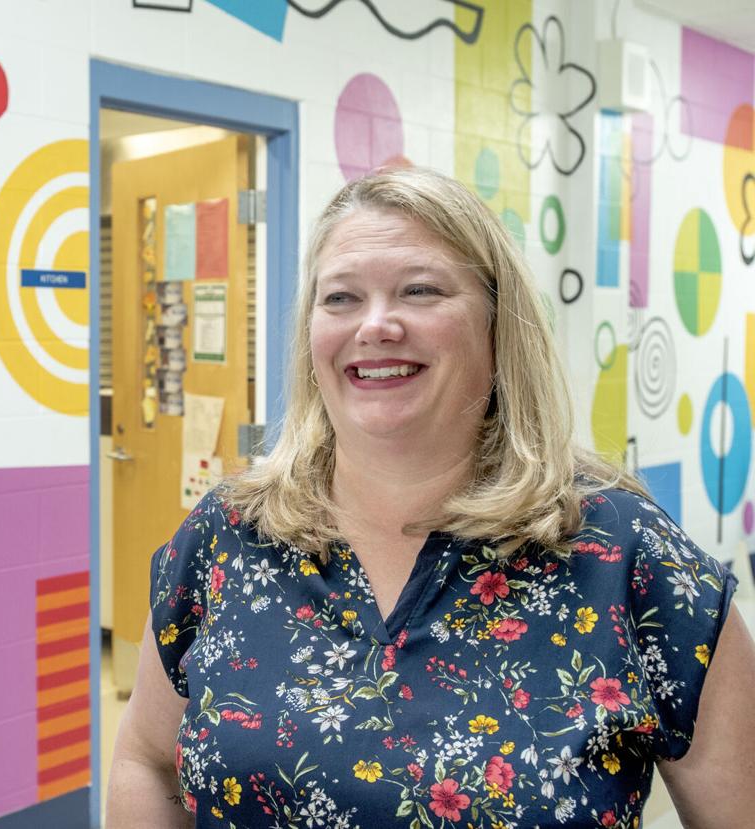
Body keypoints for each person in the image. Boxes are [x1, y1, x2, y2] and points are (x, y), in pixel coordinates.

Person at [106, 166, 755, 828]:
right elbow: (145, 760)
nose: (376, 324)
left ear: (499, 328)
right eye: (341, 298)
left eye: (420, 290)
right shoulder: (231, 533)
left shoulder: (625, 555)